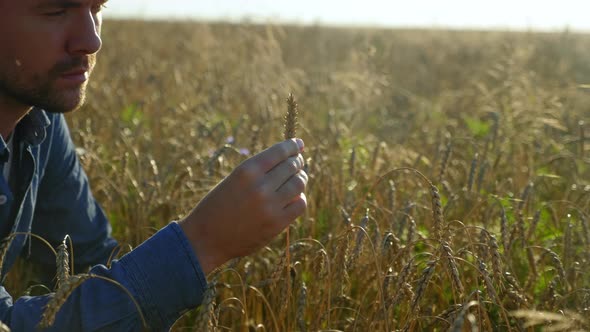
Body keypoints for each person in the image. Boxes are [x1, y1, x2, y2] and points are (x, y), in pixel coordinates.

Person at [0, 0, 308, 330]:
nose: (91, 40)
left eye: (97, 7)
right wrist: (200, 244)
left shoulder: (39, 120)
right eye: (56, 10)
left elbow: (89, 260)